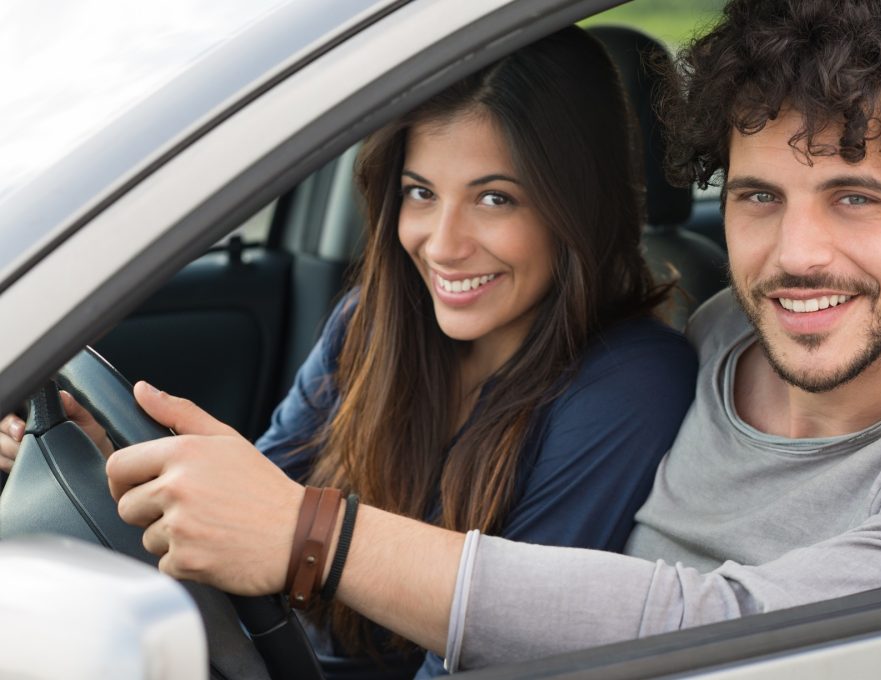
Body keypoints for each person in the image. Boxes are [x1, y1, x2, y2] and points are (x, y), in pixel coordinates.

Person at [29, 0, 881, 672]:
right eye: (759, 196)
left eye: (854, 197)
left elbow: (724, 631)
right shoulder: (723, 330)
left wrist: (312, 536)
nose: (794, 255)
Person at [0, 26, 697, 677]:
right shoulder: (372, 322)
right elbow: (250, 522)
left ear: (578, 205)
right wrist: (111, 469)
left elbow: (496, 651)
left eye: (494, 199)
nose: (443, 243)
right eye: (420, 193)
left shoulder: (633, 386)